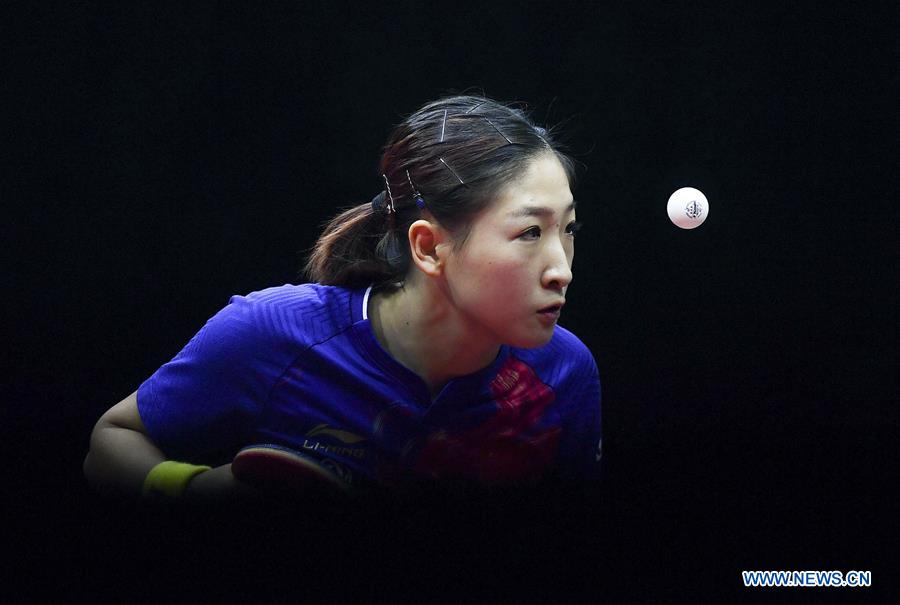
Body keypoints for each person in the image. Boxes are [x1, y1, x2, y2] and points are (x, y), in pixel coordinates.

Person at [83, 94, 602, 501]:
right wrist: (194, 492)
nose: (562, 269)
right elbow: (111, 440)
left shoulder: (564, 374)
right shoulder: (272, 334)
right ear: (428, 246)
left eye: (570, 229)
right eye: (530, 233)